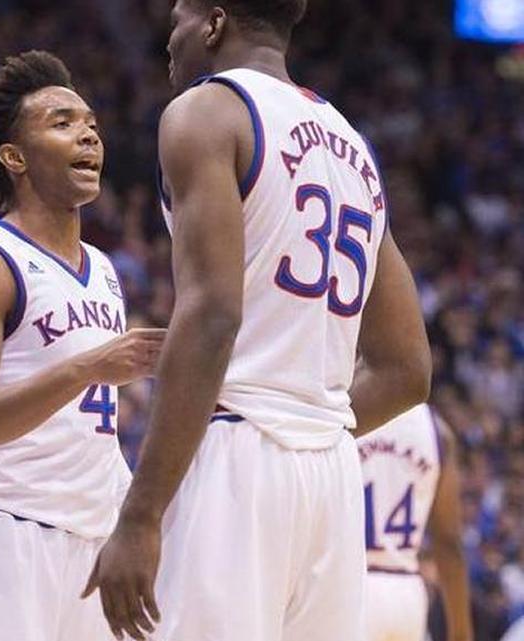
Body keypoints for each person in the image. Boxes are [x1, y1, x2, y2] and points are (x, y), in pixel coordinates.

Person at [85, 1, 432, 640]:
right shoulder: (352, 146)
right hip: (330, 473)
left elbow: (213, 314)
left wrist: (141, 515)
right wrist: (307, 422)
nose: (171, 37)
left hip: (237, 452)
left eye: (179, 19)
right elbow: (408, 369)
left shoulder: (205, 112)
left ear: (214, 25)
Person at [0, 50, 164, 641]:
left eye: (91, 125)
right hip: (5, 535)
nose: (87, 134)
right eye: (62, 123)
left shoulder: (104, 268)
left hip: (96, 538)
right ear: (14, 157)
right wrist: (87, 368)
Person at [358, 404, 473, 641]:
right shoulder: (437, 429)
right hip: (407, 593)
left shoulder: (347, 410)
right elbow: (448, 541)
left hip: (351, 583)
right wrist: (461, 632)